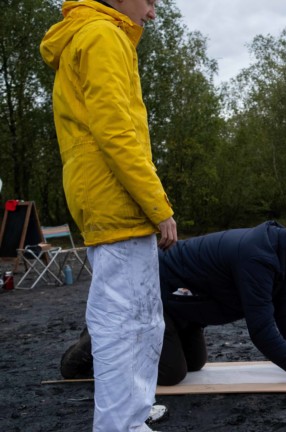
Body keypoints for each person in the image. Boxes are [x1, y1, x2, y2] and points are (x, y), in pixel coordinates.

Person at [40, 1, 177, 430]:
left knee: (144, 319)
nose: (153, 14)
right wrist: (159, 206)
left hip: (112, 199)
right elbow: (116, 131)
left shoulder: (96, 34)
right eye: (150, 2)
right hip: (116, 200)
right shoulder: (102, 35)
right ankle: (120, 424)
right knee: (123, 322)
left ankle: (133, 412)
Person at [60, 217, 286, 386]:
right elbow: (261, 330)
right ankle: (98, 342)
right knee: (172, 374)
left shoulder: (281, 259)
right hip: (160, 295)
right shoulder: (257, 257)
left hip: (191, 307)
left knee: (196, 365)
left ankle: (149, 336)